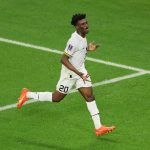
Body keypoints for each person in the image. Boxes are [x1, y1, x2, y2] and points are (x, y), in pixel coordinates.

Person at [17, 13, 115, 136]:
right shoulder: (73, 41)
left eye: (86, 23)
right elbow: (63, 59)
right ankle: (27, 94)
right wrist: (78, 73)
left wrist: (88, 49)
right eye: (82, 24)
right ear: (77, 27)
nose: (86, 25)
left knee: (89, 96)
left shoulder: (83, 37)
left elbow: (78, 52)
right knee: (56, 98)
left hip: (80, 71)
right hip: (70, 74)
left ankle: (98, 127)